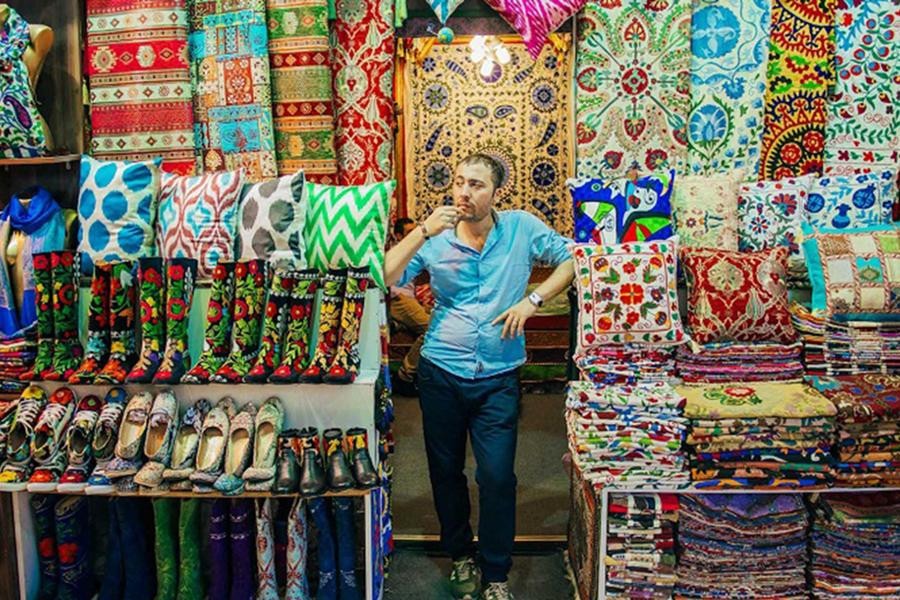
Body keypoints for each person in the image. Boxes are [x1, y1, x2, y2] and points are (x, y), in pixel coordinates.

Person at [385, 153, 575, 600]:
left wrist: (533, 301)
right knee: (445, 470)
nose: (464, 193)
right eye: (458, 182)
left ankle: (495, 573)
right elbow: (384, 274)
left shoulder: (521, 228)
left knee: (496, 476)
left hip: (498, 376)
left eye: (476, 184)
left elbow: (574, 259)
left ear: (495, 192)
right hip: (441, 372)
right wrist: (421, 232)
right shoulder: (435, 237)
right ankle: (460, 557)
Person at [389, 218, 431, 396]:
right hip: (398, 300)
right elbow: (386, 277)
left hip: (408, 300)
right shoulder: (395, 253)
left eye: (416, 230)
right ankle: (404, 376)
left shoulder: (415, 251)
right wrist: (395, 295)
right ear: (398, 236)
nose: (415, 234)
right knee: (433, 329)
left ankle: (396, 324)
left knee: (442, 317)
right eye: (409, 232)